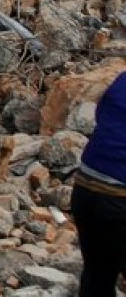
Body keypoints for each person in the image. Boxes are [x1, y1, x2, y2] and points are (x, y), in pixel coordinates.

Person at [73, 70, 126, 297]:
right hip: (117, 199)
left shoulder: (123, 80)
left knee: (98, 274)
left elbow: (103, 115)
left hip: (84, 189)